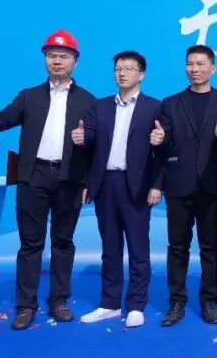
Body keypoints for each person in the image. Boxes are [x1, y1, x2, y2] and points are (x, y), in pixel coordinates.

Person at [0, 30, 95, 331]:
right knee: (30, 243)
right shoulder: (29, 96)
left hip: (70, 178)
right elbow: (5, 117)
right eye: (52, 55)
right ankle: (25, 305)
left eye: (64, 56)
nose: (57, 61)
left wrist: (88, 182)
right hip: (33, 176)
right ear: (45, 59)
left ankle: (59, 300)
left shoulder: (88, 101)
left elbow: (95, 143)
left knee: (63, 241)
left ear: (75, 61)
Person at [70, 51, 163, 329]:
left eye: (129, 69)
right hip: (105, 184)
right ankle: (109, 304)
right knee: (109, 248)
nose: (122, 73)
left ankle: (136, 305)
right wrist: (81, 137)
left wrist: (157, 184)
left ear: (141, 74)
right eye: (118, 69)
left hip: (137, 186)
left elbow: (162, 152)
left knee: (138, 248)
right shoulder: (100, 106)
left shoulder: (154, 107)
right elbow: (90, 139)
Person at [150, 45, 217, 327]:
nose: (194, 69)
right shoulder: (171, 103)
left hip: (213, 185)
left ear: (213, 68)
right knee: (177, 246)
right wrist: (159, 141)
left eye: (200, 64)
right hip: (178, 185)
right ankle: (176, 301)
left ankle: (209, 301)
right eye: (190, 64)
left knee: (211, 246)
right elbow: (162, 147)